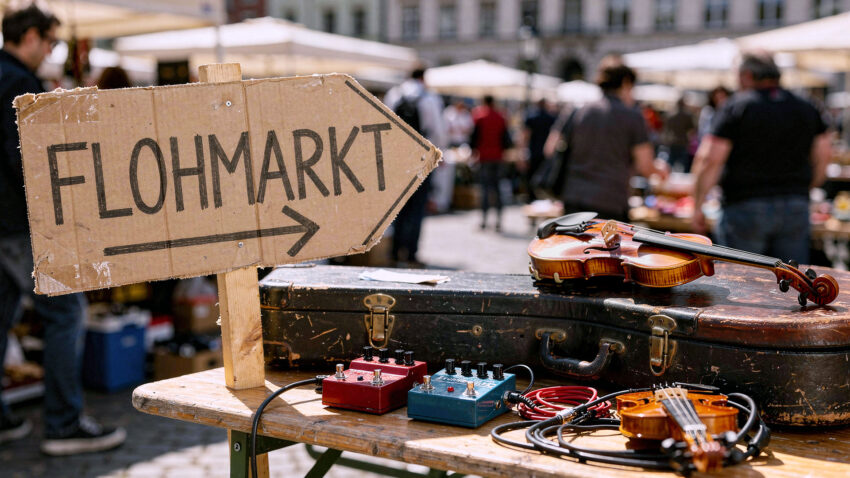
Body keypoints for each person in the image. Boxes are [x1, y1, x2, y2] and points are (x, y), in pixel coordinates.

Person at [0, 2, 126, 454]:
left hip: (4, 223)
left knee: (3, 315)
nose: (52, 50)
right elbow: (25, 159)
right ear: (29, 36)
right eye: (50, 41)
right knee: (66, 312)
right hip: (19, 221)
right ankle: (63, 423)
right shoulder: (17, 81)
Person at [691, 52, 832, 265]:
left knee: (741, 286)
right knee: (790, 285)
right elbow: (824, 155)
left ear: (746, 75)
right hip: (795, 204)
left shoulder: (737, 106)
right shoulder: (806, 106)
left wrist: (697, 205)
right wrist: (807, 187)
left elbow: (710, 159)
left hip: (745, 205)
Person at [544, 55, 669, 222]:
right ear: (625, 83)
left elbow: (550, 148)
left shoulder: (577, 111)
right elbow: (645, 166)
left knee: (575, 248)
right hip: (610, 202)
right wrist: (661, 170)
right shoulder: (632, 117)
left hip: (573, 198)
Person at [383, 67, 447, 266]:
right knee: (417, 207)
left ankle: (394, 251)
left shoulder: (394, 94)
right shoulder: (429, 98)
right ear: (423, 77)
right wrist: (440, 154)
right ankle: (411, 253)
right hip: (421, 157)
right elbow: (437, 130)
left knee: (398, 206)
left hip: (397, 157)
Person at [471, 95, 509, 231]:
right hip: (498, 156)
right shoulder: (501, 117)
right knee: (497, 189)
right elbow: (506, 139)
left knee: (485, 189)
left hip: (484, 156)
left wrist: (473, 152)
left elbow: (474, 137)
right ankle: (498, 220)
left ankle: (484, 220)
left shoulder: (479, 116)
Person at [522, 99, 556, 201]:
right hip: (546, 153)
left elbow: (525, 135)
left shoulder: (531, 117)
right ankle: (542, 199)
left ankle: (532, 199)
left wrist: (523, 151)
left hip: (533, 152)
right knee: (544, 177)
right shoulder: (551, 118)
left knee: (531, 177)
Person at [662, 98, 696, 172]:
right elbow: (692, 129)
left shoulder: (671, 115)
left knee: (671, 161)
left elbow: (666, 129)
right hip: (682, 141)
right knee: (684, 163)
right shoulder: (687, 115)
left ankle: (667, 175)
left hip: (673, 140)